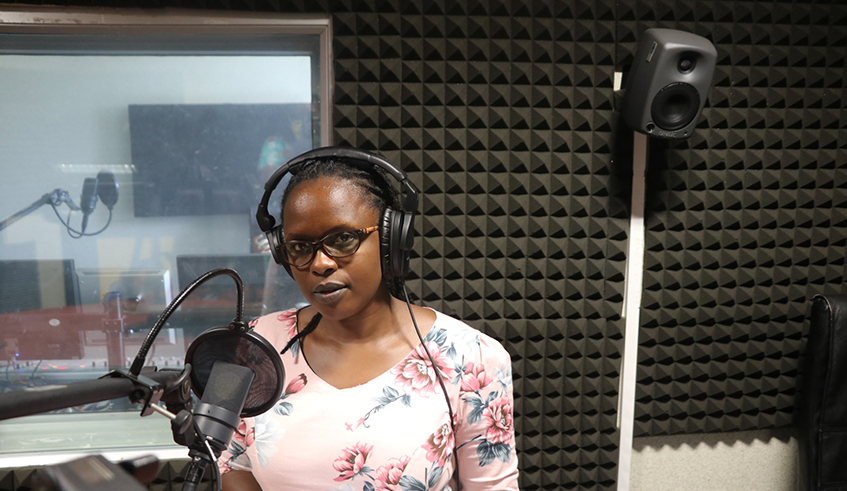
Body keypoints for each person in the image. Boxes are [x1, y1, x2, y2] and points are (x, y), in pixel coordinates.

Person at [219, 148, 519, 490]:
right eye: (300, 247)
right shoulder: (248, 345)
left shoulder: (475, 358)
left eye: (343, 239)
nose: (320, 264)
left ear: (393, 238)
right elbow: (226, 459)